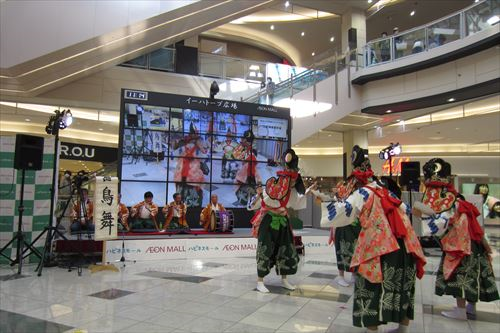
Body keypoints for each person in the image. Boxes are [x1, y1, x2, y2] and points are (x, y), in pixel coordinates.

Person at [324, 145, 426, 333]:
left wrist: (326, 203)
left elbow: (338, 214)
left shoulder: (361, 193)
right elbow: (407, 209)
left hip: (381, 248)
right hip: (405, 245)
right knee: (401, 286)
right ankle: (402, 329)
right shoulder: (385, 190)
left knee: (369, 287)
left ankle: (372, 330)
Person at [413, 158, 499, 321]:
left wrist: (418, 210)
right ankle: (470, 307)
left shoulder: (447, 201)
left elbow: (437, 222)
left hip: (460, 244)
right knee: (474, 275)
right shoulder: (458, 199)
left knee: (460, 275)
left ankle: (460, 310)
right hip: (475, 242)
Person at [248, 149, 314, 293]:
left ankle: (284, 279)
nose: (293, 182)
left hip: (283, 222)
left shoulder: (293, 192)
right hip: (268, 221)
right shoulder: (272, 188)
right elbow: (252, 206)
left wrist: (308, 192)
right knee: (265, 249)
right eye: (291, 179)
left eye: (295, 180)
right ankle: (260, 281)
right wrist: (258, 195)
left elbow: (297, 203)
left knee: (286, 249)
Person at [312, 182, 362, 287]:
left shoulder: (355, 199)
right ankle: (341, 277)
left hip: (355, 227)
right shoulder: (337, 201)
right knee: (341, 251)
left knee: (356, 251)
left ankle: (354, 274)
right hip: (342, 229)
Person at [233, 130, 261, 206]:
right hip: (247, 176)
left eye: (243, 139)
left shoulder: (250, 152)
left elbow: (235, 155)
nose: (241, 140)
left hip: (248, 177)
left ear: (245, 140)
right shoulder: (246, 150)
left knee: (247, 194)